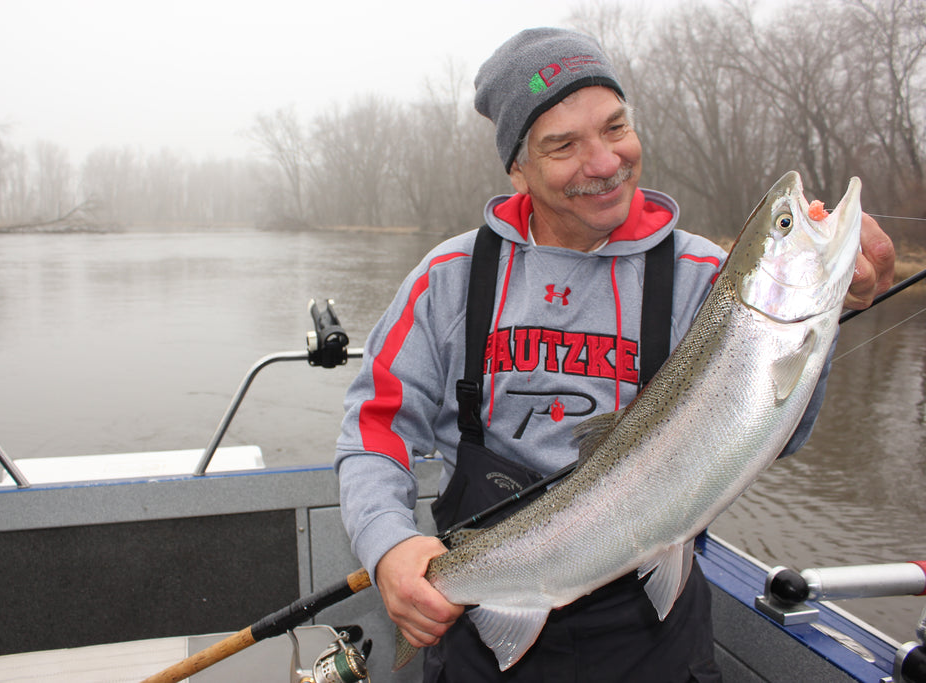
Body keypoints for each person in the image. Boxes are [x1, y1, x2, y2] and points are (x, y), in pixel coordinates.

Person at [334, 27, 895, 682]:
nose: (603, 161)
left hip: (653, 639)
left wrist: (828, 317)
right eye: (564, 145)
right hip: (488, 616)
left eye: (615, 127)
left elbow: (782, 430)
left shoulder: (707, 281)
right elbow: (374, 432)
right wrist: (391, 548)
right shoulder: (448, 279)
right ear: (517, 166)